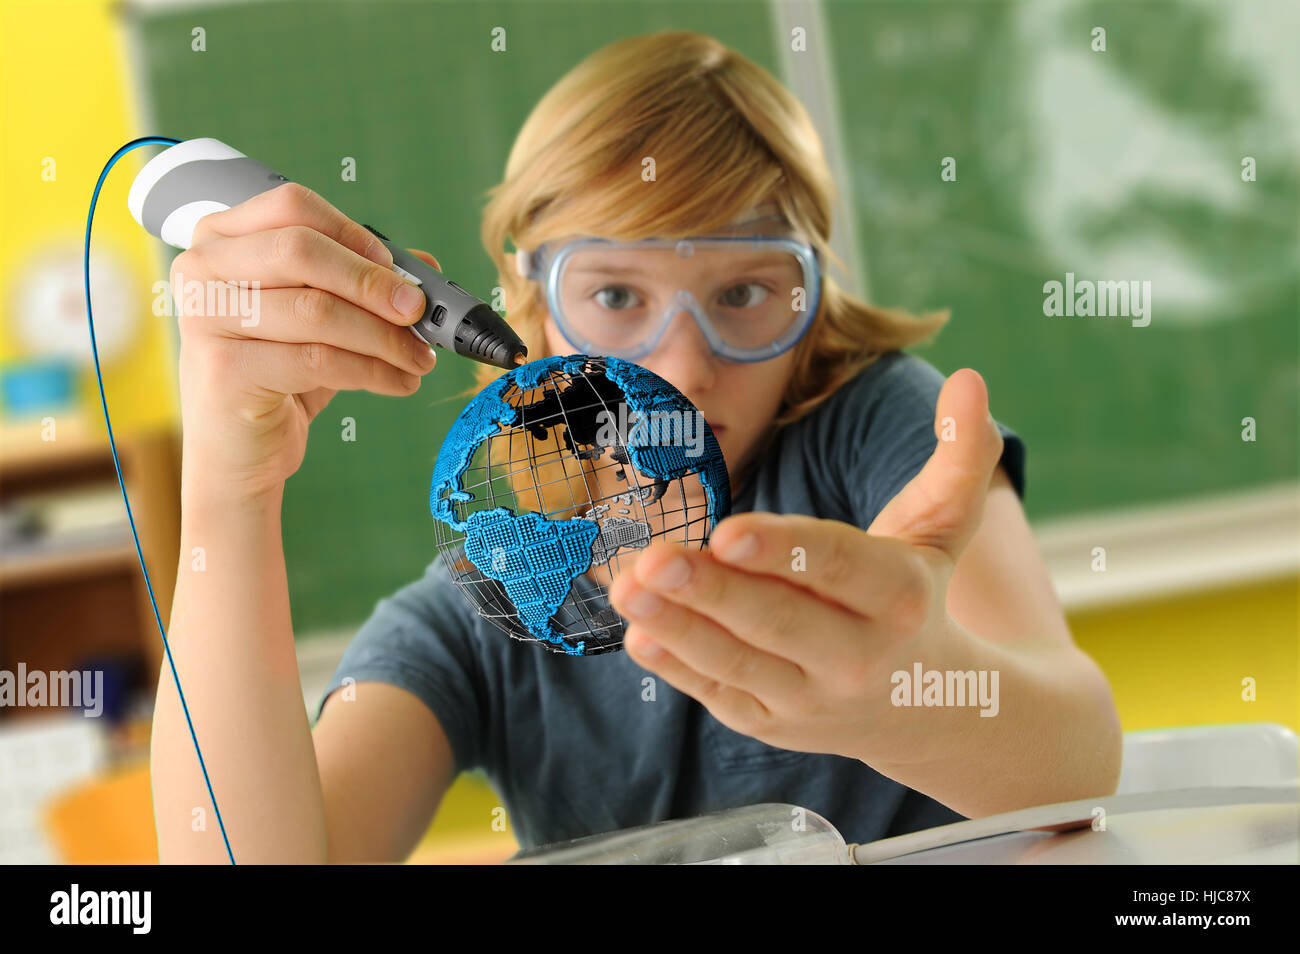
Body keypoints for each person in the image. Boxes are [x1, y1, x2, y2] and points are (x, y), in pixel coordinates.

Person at [151, 30, 1121, 863]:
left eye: (745, 294)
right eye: (614, 296)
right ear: (527, 301)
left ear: (810, 297)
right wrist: (230, 495)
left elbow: (1077, 766)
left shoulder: (868, 426)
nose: (687, 367)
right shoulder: (488, 599)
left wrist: (901, 700)